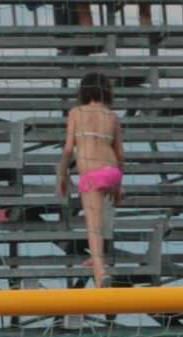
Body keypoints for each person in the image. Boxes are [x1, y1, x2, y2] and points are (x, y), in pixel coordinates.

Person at [58, 73, 125, 289]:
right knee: (106, 216)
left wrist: (62, 173)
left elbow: (69, 149)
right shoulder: (112, 116)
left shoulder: (76, 112)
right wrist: (119, 184)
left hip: (91, 173)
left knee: (93, 226)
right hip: (112, 171)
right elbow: (120, 154)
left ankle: (99, 272)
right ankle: (100, 257)